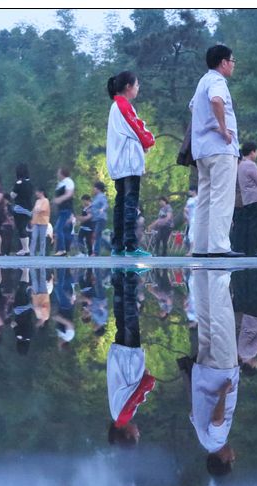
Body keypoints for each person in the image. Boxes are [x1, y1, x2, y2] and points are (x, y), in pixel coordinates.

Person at [189, 45, 244, 258]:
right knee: (222, 196)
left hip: (202, 149)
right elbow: (216, 100)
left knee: (205, 197)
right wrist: (223, 128)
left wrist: (207, 125)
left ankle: (201, 246)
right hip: (220, 148)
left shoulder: (203, 80)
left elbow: (194, 106)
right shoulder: (217, 81)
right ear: (223, 62)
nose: (233, 65)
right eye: (232, 60)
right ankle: (219, 246)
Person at [190, 269, 239, 476]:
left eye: (231, 461)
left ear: (224, 459)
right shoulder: (202, 440)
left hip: (221, 373)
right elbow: (192, 414)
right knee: (206, 319)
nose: (234, 456)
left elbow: (217, 420)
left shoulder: (218, 440)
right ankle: (200, 272)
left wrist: (223, 392)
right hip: (202, 372)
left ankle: (217, 271)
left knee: (221, 319)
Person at [106, 70, 155, 257]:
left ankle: (118, 245)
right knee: (130, 203)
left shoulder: (116, 106)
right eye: (136, 85)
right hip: (128, 162)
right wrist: (149, 141)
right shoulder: (123, 105)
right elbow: (137, 126)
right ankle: (131, 246)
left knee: (121, 203)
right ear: (128, 87)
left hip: (120, 161)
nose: (138, 88)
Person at [107, 270, 156, 446]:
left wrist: (149, 381)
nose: (138, 432)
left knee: (130, 316)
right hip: (120, 359)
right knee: (121, 318)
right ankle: (118, 280)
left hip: (128, 361)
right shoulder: (115, 414)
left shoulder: (123, 415)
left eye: (137, 436)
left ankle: (130, 279)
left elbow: (138, 393)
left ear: (128, 435)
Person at [11, 163, 34, 256]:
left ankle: (25, 248)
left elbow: (13, 195)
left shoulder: (19, 183)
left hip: (20, 208)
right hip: (29, 209)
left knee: (21, 228)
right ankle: (26, 248)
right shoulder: (30, 183)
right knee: (24, 227)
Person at [52, 167, 75, 256]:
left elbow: (69, 194)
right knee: (61, 229)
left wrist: (59, 199)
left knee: (59, 228)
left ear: (62, 173)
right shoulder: (61, 183)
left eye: (58, 172)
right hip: (61, 210)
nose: (57, 174)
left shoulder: (68, 181)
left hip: (66, 209)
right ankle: (62, 249)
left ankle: (62, 249)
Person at [90, 181, 109, 256]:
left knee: (97, 234)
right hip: (95, 219)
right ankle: (110, 247)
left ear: (98, 189)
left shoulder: (102, 196)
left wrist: (102, 209)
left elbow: (106, 204)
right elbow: (94, 207)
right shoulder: (96, 197)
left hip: (101, 218)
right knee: (98, 235)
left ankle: (96, 252)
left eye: (94, 188)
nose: (93, 189)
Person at [30, 188, 50, 256]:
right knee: (33, 238)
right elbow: (33, 211)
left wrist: (36, 210)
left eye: (37, 192)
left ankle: (42, 253)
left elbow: (43, 209)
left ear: (41, 192)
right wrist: (32, 220)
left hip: (43, 222)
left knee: (42, 239)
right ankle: (31, 253)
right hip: (36, 222)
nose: (36, 194)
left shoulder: (46, 200)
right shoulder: (37, 201)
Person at [184, 186, 197, 256]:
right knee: (190, 234)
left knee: (192, 234)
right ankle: (191, 250)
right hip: (191, 218)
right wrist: (186, 217)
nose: (189, 192)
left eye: (190, 190)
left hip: (196, 218)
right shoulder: (189, 200)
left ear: (194, 191)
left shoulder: (198, 199)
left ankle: (192, 250)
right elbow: (185, 209)